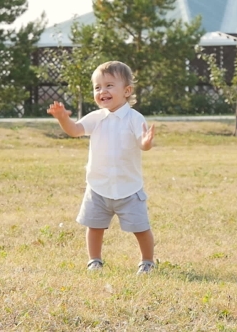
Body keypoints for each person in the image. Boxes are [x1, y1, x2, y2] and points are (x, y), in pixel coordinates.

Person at [47, 61, 156, 275]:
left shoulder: (134, 118)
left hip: (129, 188)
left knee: (141, 228)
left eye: (109, 85)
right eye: (97, 87)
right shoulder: (96, 118)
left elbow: (142, 144)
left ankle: (147, 261)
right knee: (94, 227)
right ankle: (94, 260)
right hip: (98, 187)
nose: (102, 91)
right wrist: (63, 118)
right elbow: (75, 130)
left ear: (127, 91)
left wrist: (147, 141)